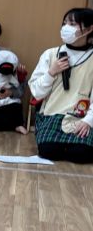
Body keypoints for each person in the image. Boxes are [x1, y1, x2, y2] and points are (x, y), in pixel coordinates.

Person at [29, 8, 93, 163]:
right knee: (48, 151)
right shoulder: (50, 54)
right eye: (64, 23)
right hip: (52, 114)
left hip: (81, 116)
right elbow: (37, 92)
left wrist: (88, 121)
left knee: (81, 154)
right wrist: (51, 72)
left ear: (89, 29)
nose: (66, 28)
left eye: (72, 24)